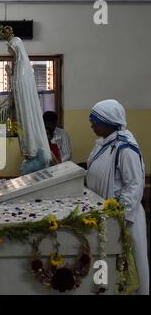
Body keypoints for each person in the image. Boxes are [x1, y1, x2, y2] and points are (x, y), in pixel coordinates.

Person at [86, 99, 149, 295]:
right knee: (108, 261)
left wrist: (121, 219)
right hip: (106, 213)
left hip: (124, 218)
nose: (92, 124)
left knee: (129, 263)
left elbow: (134, 186)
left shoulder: (125, 148)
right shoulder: (103, 143)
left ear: (109, 122)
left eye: (95, 120)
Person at [0, 25, 51, 175]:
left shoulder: (22, 70)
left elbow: (18, 88)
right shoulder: (19, 69)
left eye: (10, 51)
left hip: (26, 107)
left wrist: (11, 76)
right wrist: (10, 75)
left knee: (28, 123)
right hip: (22, 105)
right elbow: (16, 89)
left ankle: (32, 149)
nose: (9, 53)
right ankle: (30, 150)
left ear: (16, 50)